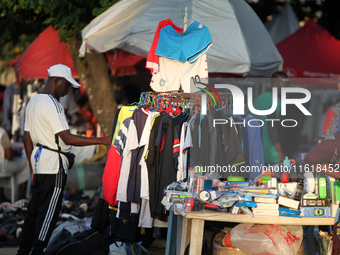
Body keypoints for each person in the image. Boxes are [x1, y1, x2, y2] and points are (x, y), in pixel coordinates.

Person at [16, 64, 111, 255]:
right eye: (67, 85)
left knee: (34, 212)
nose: (68, 90)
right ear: (56, 80)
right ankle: (37, 251)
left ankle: (23, 250)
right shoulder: (53, 104)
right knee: (48, 214)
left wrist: (32, 167)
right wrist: (102, 140)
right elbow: (67, 138)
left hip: (40, 163)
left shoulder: (33, 102)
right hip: (54, 166)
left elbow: (27, 139)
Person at [253, 71, 290, 164]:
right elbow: (272, 128)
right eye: (286, 83)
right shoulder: (276, 101)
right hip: (271, 154)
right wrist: (279, 152)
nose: (288, 86)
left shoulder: (259, 98)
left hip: (255, 150)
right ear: (276, 83)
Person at [0, 126, 30, 201]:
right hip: (3, 167)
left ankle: (2, 194)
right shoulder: (1, 132)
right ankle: (21, 197)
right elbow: (9, 156)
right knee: (27, 163)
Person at [3, 72, 25, 141]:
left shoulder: (25, 90)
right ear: (17, 77)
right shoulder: (9, 90)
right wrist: (8, 128)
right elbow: (6, 109)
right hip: (11, 127)